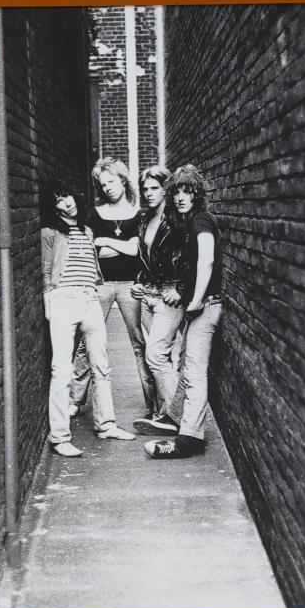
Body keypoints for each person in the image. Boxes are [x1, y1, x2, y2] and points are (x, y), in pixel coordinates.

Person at [40, 178, 135, 457]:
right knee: (62, 369)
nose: (66, 202)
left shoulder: (87, 230)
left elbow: (95, 263)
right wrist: (49, 300)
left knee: (101, 366)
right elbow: (46, 270)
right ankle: (59, 437)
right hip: (63, 299)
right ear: (53, 205)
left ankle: (106, 425)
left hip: (90, 297)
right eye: (59, 199)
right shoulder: (50, 232)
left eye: (68, 195)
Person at [144, 165, 223, 459]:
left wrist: (196, 299)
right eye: (176, 191)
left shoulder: (201, 221)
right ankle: (176, 419)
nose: (180, 197)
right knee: (185, 368)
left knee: (194, 371)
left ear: (197, 193)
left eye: (186, 191)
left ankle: (189, 439)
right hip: (201, 305)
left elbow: (206, 261)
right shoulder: (190, 222)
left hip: (206, 305)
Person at [69, 158, 156, 420]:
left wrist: (107, 242)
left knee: (141, 343)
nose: (108, 187)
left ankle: (153, 404)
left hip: (131, 286)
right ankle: (75, 399)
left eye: (112, 181)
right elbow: (97, 252)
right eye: (102, 183)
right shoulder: (94, 215)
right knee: (86, 341)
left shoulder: (139, 214)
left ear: (123, 180)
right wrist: (119, 245)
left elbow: (135, 251)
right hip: (101, 285)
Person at [130, 165, 187, 433]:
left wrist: (182, 288)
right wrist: (139, 282)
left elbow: (191, 258)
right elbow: (145, 257)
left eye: (154, 188)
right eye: (145, 189)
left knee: (156, 356)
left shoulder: (177, 219)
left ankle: (176, 417)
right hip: (149, 294)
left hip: (169, 294)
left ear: (166, 189)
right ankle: (167, 415)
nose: (148, 193)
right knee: (158, 357)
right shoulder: (144, 219)